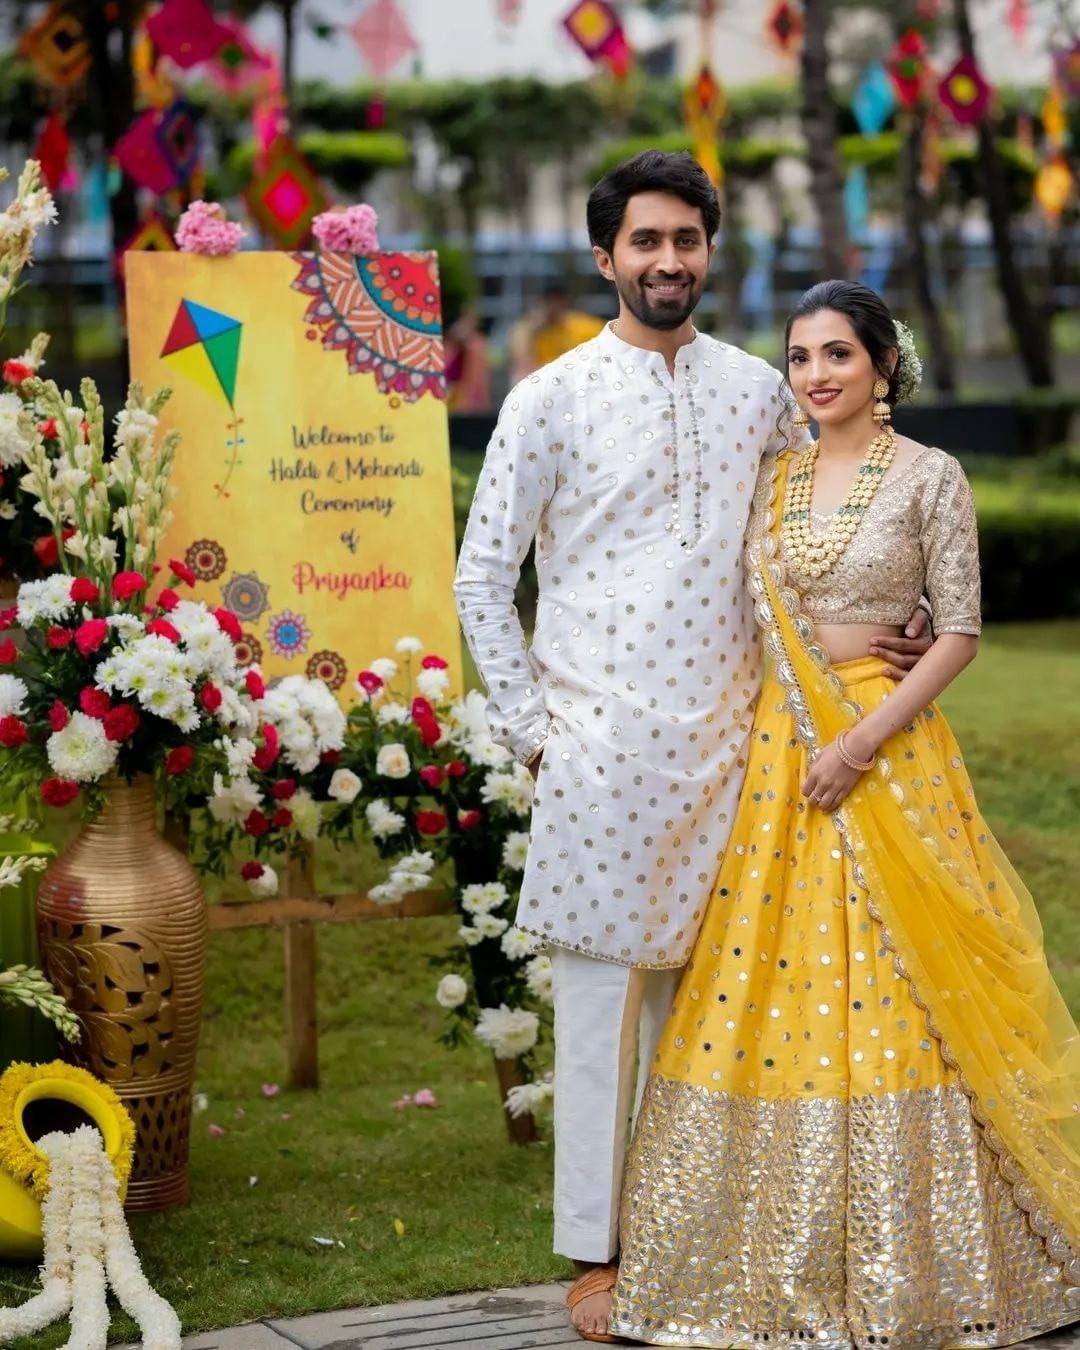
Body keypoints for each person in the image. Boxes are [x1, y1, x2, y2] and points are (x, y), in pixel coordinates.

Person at [453, 157, 930, 1345]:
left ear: (710, 250)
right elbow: (480, 578)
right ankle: (596, 1254)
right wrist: (531, 734)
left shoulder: (760, 393)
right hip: (600, 748)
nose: (669, 261)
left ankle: (691, 1237)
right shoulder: (550, 399)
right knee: (604, 1010)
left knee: (716, 1011)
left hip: (744, 745)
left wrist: (892, 615)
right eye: (645, 242)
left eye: (688, 241)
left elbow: (825, 524)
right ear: (605, 255)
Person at [609, 280, 1080, 1348]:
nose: (816, 375)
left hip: (883, 751)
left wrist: (860, 741)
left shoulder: (931, 476)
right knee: (769, 985)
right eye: (800, 358)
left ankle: (943, 1263)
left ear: (883, 366)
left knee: (909, 978)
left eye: (838, 356)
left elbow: (956, 631)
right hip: (778, 755)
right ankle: (753, 1268)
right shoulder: (769, 475)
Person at [507, 281, 606, 382]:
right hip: (546, 381)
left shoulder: (586, 326)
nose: (553, 305)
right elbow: (523, 362)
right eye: (548, 300)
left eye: (557, 299)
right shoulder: (532, 328)